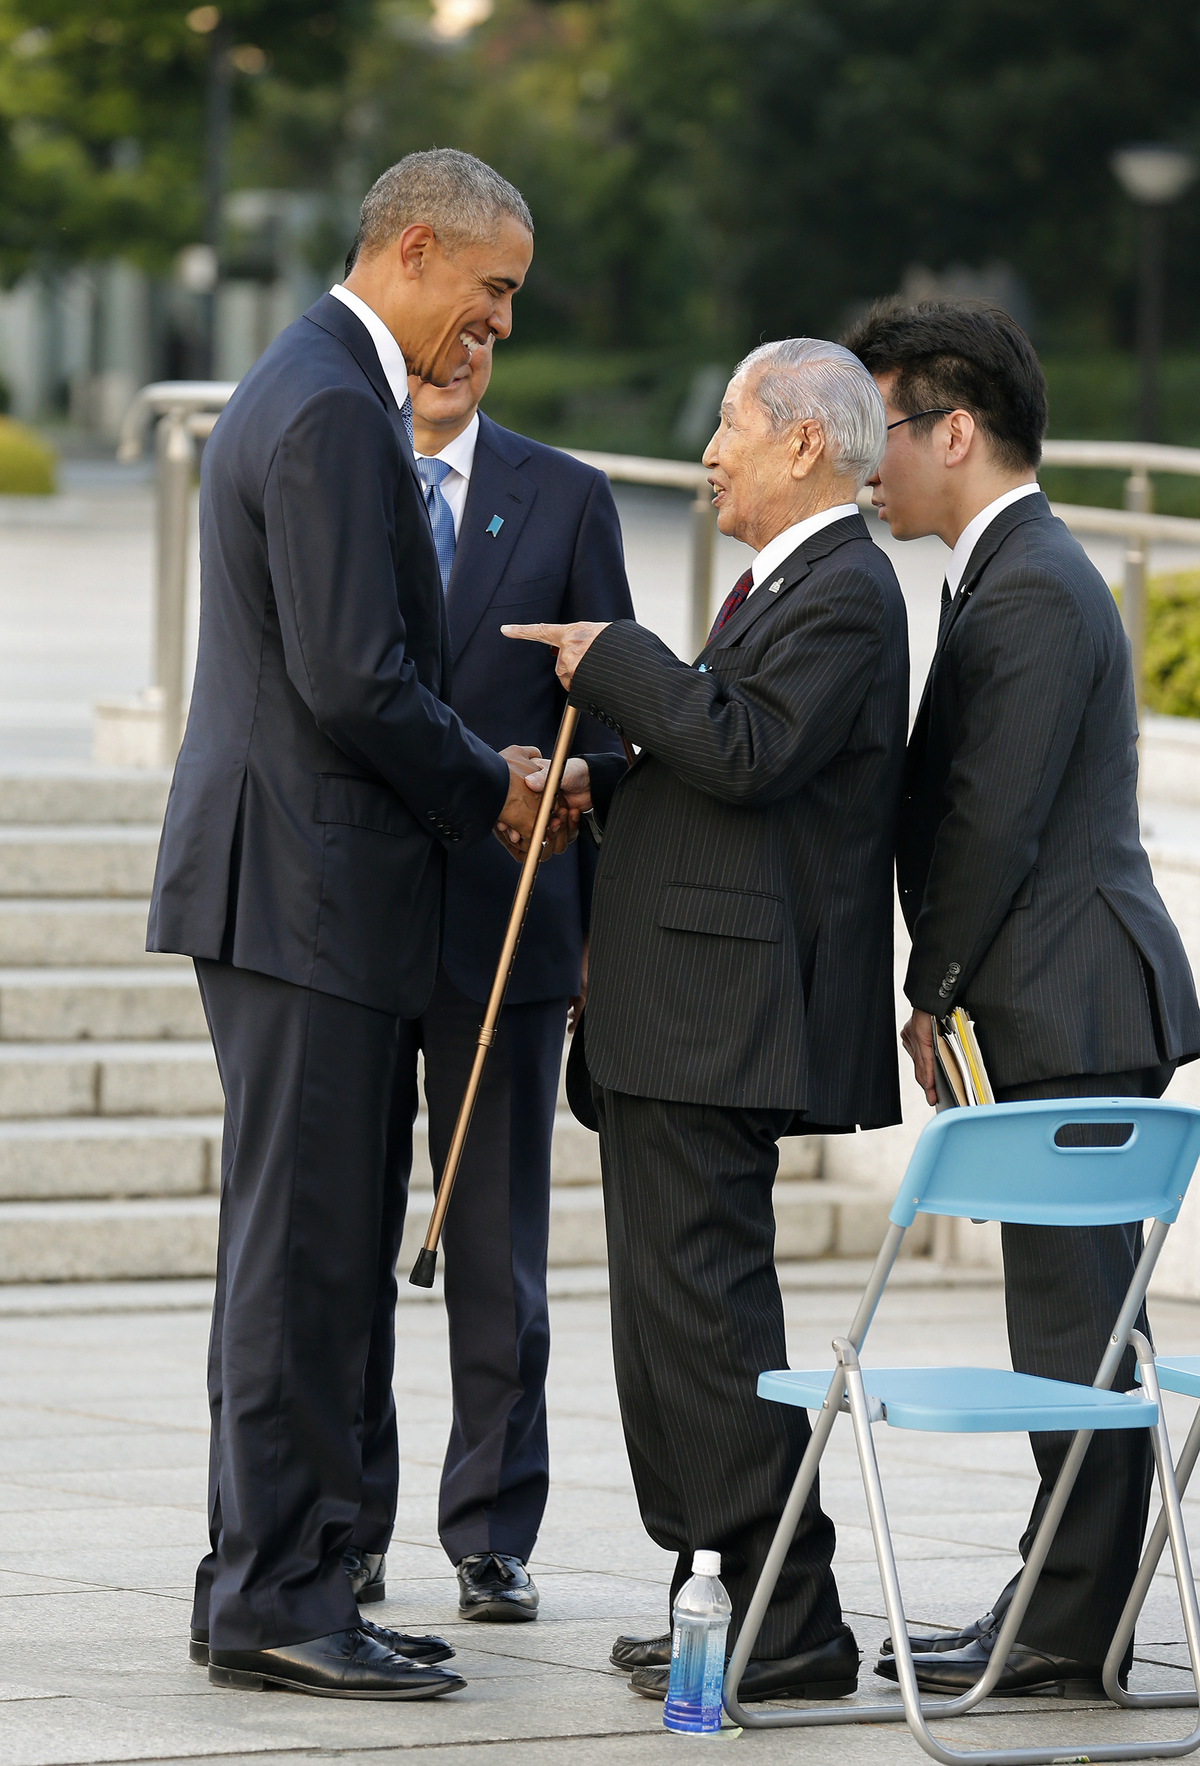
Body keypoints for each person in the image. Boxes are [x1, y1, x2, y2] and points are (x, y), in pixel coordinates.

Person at [147, 148, 562, 1701]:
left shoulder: (314, 382)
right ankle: (279, 1592)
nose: (498, 325)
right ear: (414, 247)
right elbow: (353, 677)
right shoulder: (329, 404)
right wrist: (492, 784)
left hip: (305, 890)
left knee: (310, 1252)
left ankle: (284, 1574)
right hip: (303, 890)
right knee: (305, 1258)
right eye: (493, 289)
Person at [504, 338, 909, 1702]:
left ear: (804, 440)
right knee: (668, 1330)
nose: (710, 453)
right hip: (676, 1015)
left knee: (710, 1327)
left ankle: (786, 1618)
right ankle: (722, 1596)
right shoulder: (792, 581)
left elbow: (749, 748)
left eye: (730, 425)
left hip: (715, 1019)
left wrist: (612, 659)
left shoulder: (845, 586)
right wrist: (609, 784)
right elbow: (727, 755)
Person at [845, 298, 1200, 1697]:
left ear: (956, 431)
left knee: (1074, 1333)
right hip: (1060, 996)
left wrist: (930, 991)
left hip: (1074, 1000)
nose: (867, 460)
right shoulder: (1006, 572)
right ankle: (1062, 1599)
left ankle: (1066, 1624)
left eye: (882, 428)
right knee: (1079, 1325)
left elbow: (992, 818)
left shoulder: (1035, 583)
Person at [344, 308, 634, 1624]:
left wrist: (591, 872)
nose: (461, 355)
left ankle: (493, 1528)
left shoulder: (565, 497)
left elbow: (622, 719)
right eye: (444, 332)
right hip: (356, 920)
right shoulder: (338, 472)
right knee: (345, 1241)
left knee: (499, 1249)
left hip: (514, 924)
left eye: (487, 333)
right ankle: (344, 1522)